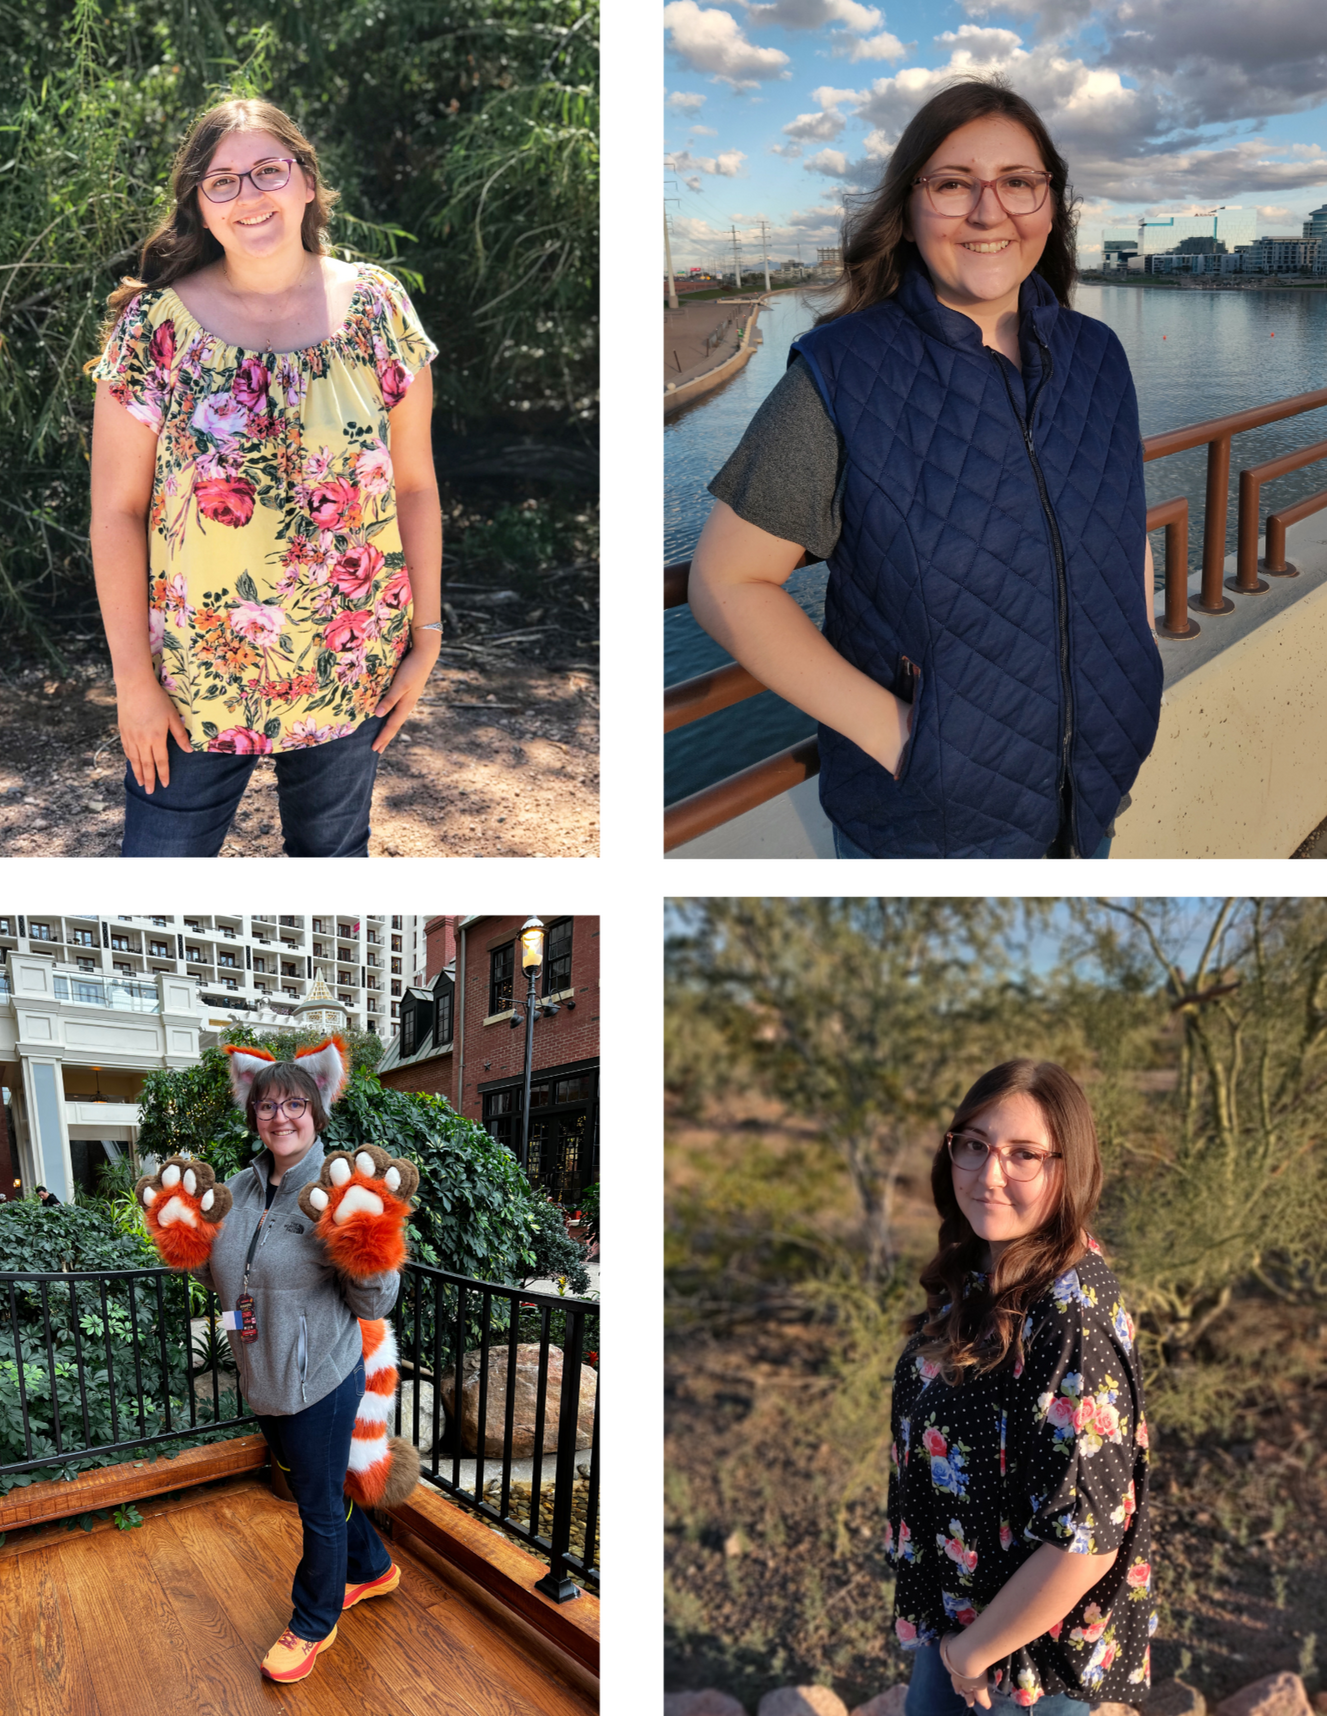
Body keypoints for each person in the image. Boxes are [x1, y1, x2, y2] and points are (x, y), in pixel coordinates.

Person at [687, 74, 1163, 861]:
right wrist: (905, 739)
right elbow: (727, 581)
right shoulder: (841, 372)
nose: (988, 211)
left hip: (1091, 797)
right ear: (906, 212)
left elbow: (1120, 529)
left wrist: (1133, 670)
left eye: (1018, 182)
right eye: (951, 184)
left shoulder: (1096, 356)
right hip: (927, 832)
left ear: (1050, 205)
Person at [84, 96, 444, 859]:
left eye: (268, 171)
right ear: (200, 204)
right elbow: (116, 511)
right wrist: (133, 683)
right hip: (191, 680)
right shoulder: (153, 328)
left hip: (352, 663)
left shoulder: (377, 307)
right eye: (223, 180)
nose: (249, 195)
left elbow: (414, 485)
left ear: (306, 181)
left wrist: (428, 637)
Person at [134, 1035, 421, 1683]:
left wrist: (365, 1234)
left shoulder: (335, 1190)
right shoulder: (237, 1190)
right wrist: (183, 1238)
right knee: (320, 1486)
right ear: (254, 1116)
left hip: (321, 1379)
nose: (280, 1116)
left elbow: (374, 1300)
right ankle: (373, 1567)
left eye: (295, 1104)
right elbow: (218, 1276)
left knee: (315, 1505)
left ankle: (313, 1621)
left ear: (316, 1112)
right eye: (267, 1106)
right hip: (261, 1375)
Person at [886, 1059, 1155, 1714]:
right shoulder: (988, 1267)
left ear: (1069, 1168)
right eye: (974, 1146)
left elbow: (1084, 1544)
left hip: (1023, 1660)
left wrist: (970, 1654)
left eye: (1024, 1155)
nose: (989, 1175)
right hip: (963, 1619)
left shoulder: (1069, 1313)